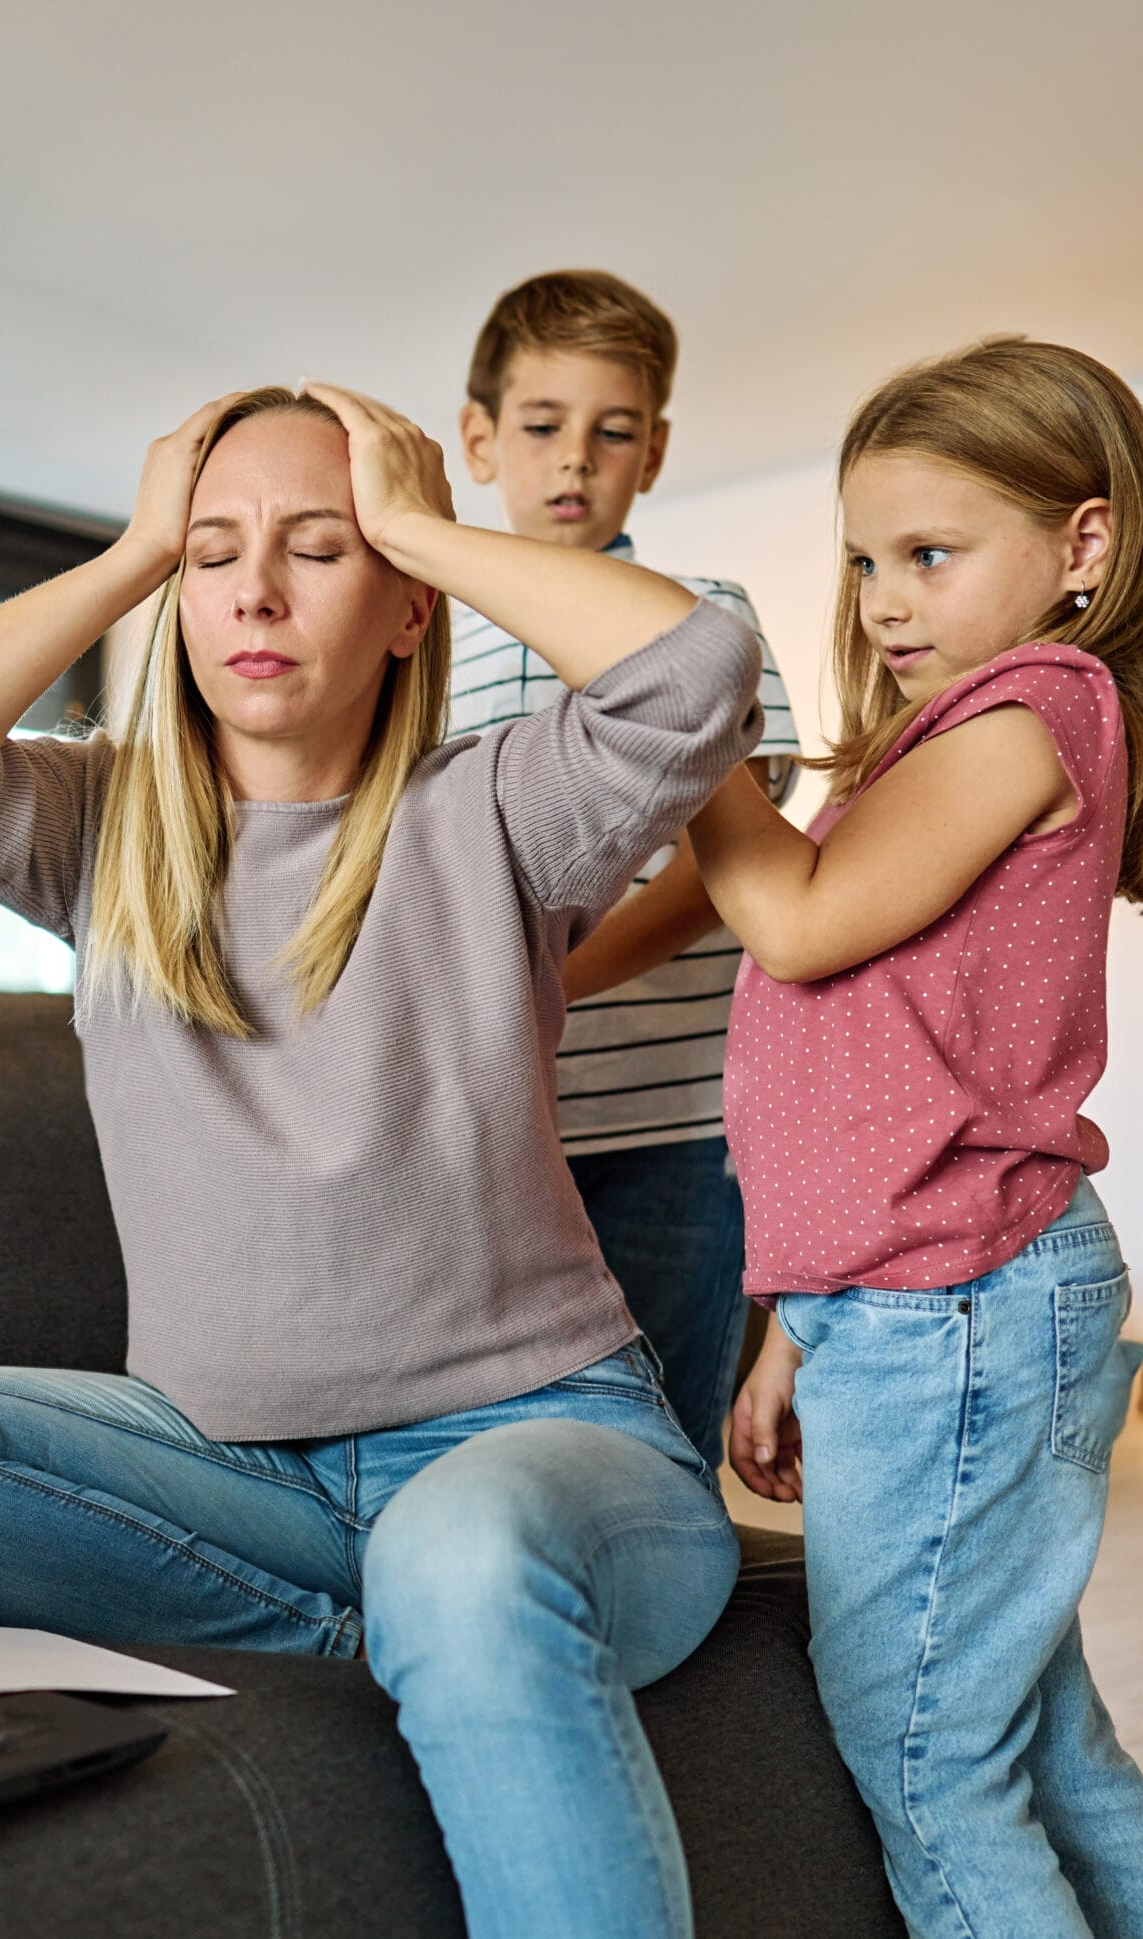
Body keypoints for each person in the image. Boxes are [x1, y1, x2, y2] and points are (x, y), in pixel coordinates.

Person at [0, 383, 765, 1937]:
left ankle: (436, 1605)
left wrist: (425, 521)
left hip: (537, 1443)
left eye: (320, 548)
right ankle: (389, 1625)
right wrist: (130, 549)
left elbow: (700, 673)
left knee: (465, 1543)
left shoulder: (498, 811)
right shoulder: (101, 830)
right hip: (236, 1473)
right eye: (213, 553)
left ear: (401, 606)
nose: (252, 589)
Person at [695, 337, 1143, 1937]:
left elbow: (795, 921)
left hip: (962, 1309)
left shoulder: (1040, 705)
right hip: (923, 1298)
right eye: (862, 562)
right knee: (1040, 1735)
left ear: (1085, 547)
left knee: (924, 1755)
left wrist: (676, 738)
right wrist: (792, 1328)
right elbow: (876, 1084)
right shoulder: (935, 744)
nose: (883, 600)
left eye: (928, 554)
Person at [448, 270, 800, 1452]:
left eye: (611, 434)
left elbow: (730, 873)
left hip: (674, 1126)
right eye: (542, 427)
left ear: (651, 453)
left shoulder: (702, 616)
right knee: (486, 1445)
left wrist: (564, 977)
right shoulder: (418, 645)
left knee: (657, 1446)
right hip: (479, 1126)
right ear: (480, 435)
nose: (573, 462)